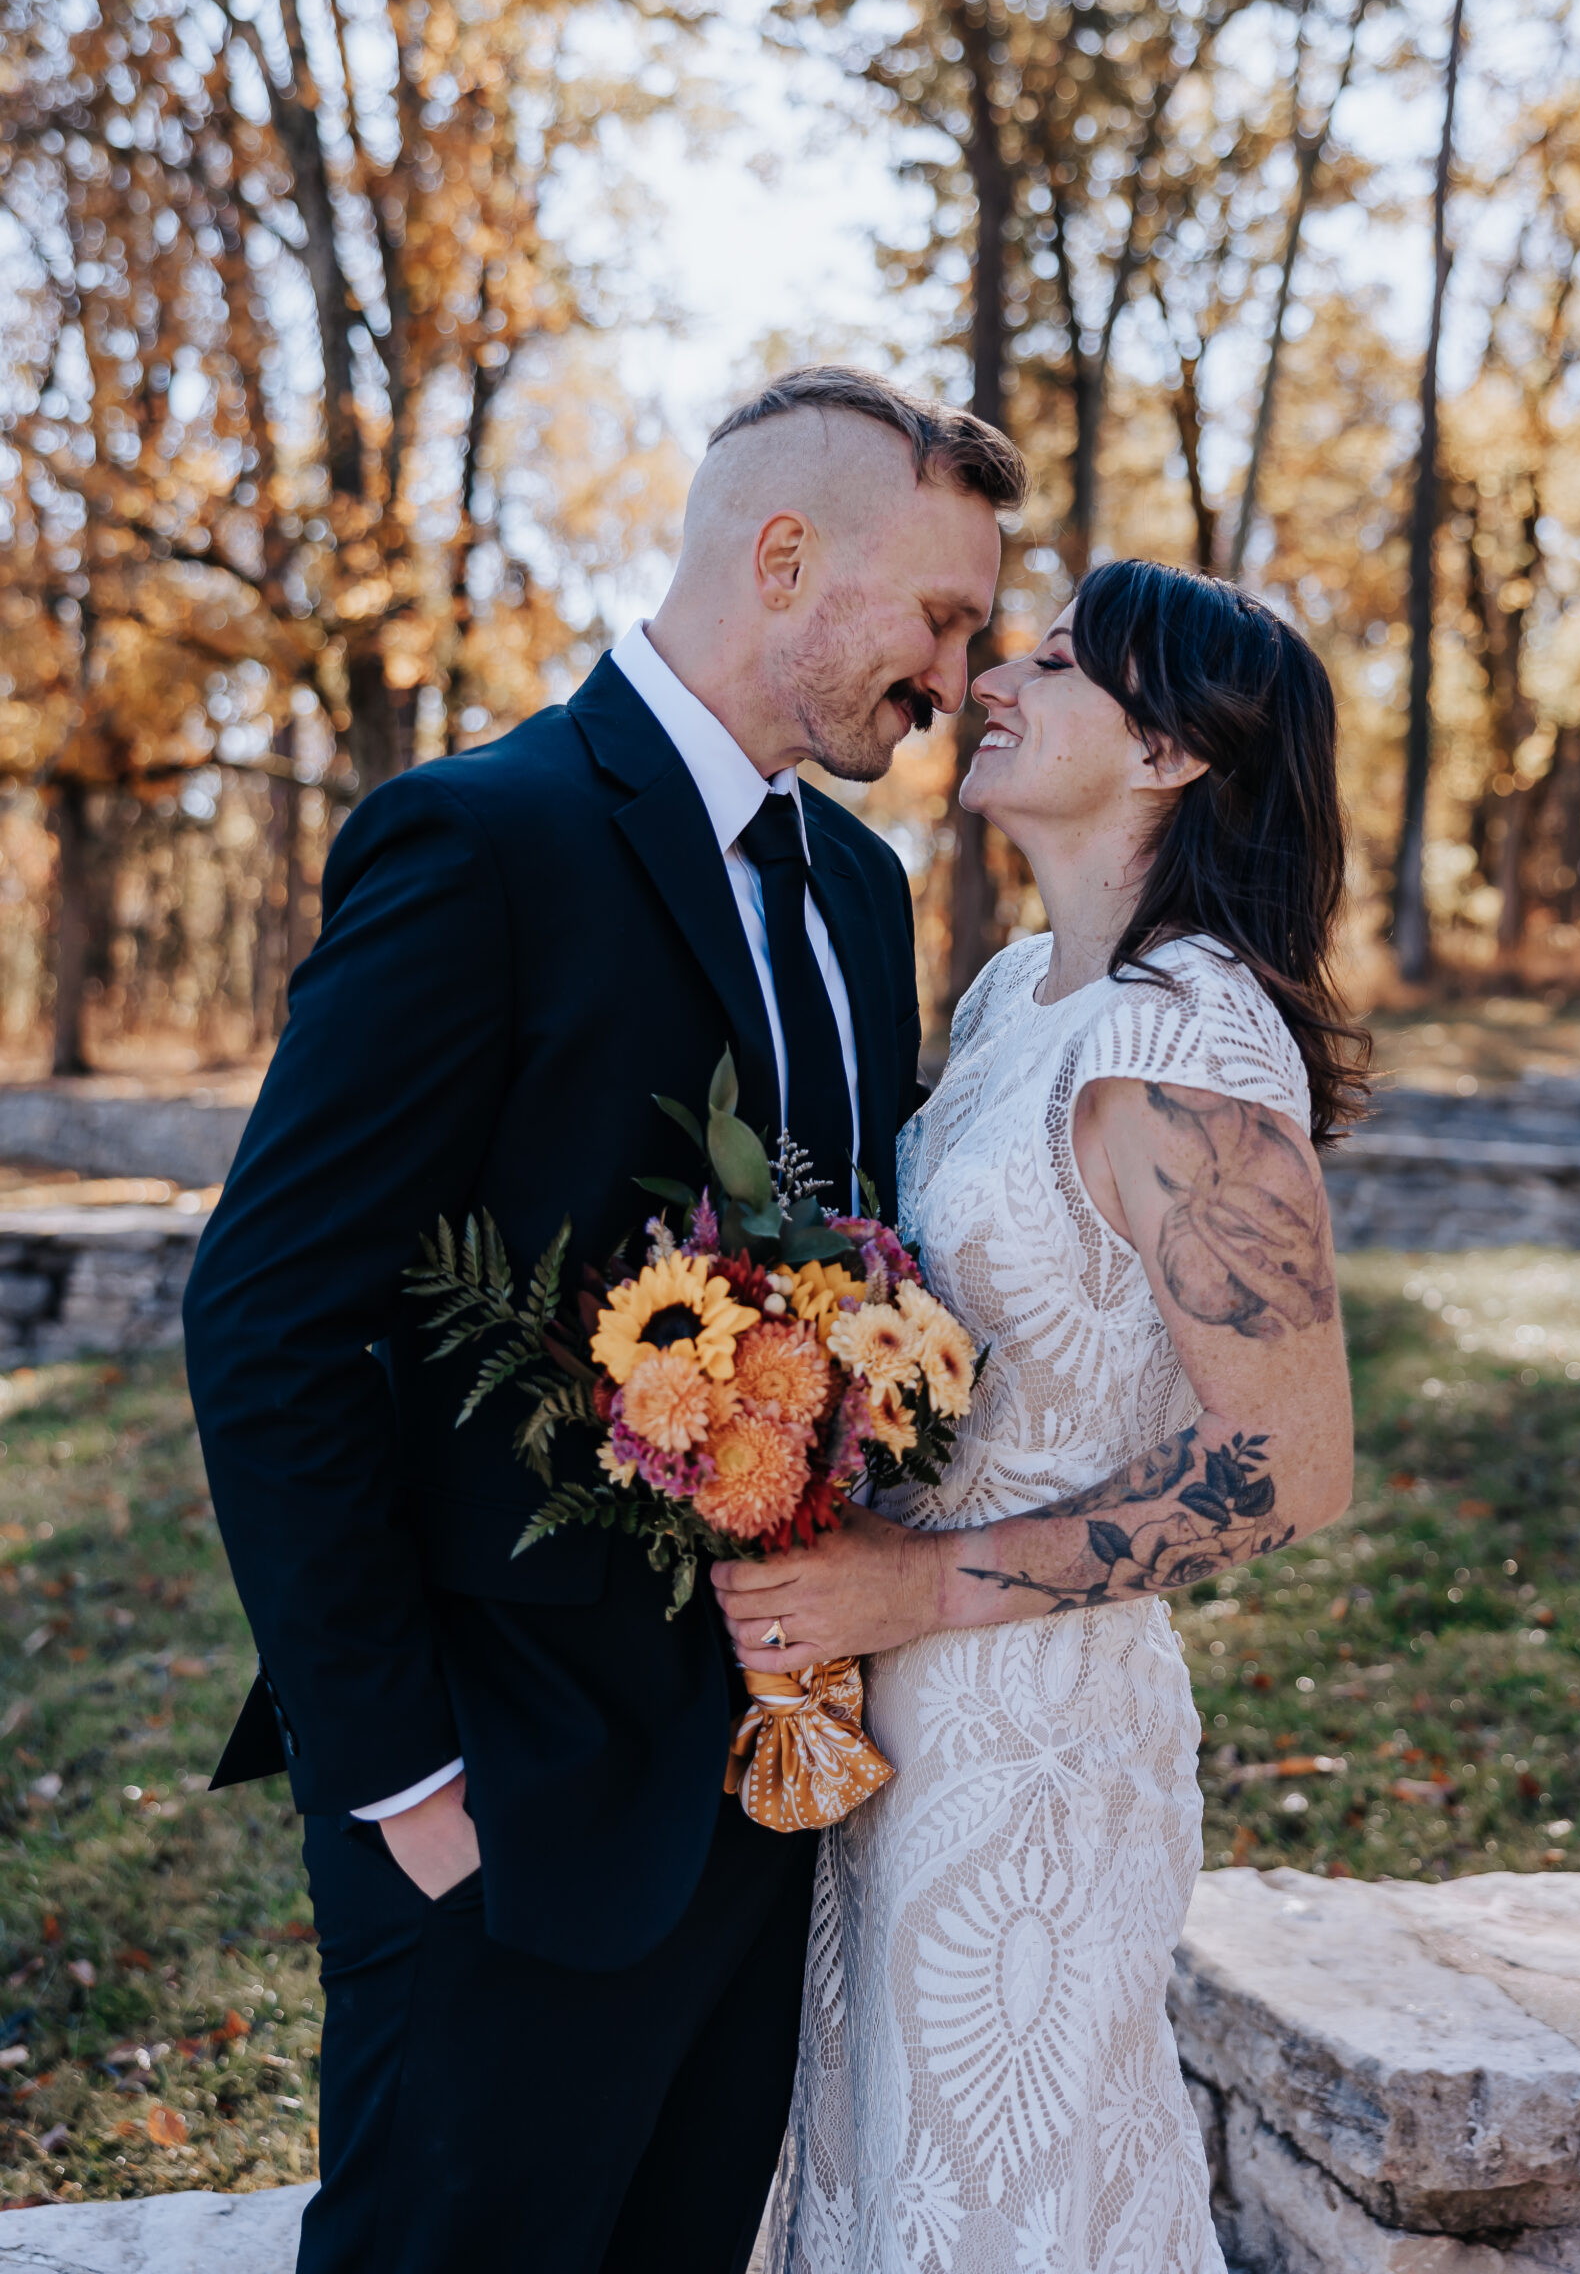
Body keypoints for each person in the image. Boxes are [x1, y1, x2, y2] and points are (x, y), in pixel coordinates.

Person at [181, 367, 1025, 2274]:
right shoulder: (482, 839)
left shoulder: (862, 893)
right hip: (507, 1803)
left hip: (767, 1800)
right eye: (944, 617)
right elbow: (267, 1315)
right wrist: (404, 1786)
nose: (960, 675)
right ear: (785, 556)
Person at [715, 559, 1365, 2274]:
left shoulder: (1188, 1050)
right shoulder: (1020, 997)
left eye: (1058, 662)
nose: (995, 680)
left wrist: (918, 1590)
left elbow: (1286, 1466)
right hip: (887, 1728)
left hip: (1034, 1760)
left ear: (1167, 752)